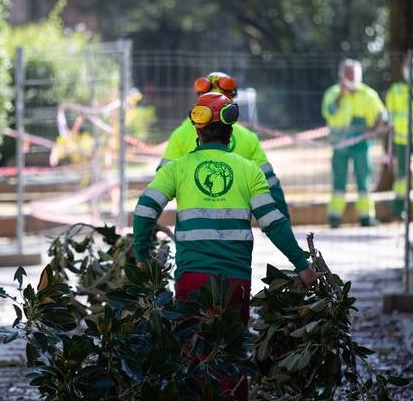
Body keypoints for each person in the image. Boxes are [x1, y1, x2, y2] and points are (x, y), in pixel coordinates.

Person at [134, 91, 317, 330]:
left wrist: (142, 259)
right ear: (231, 131)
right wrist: (302, 266)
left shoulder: (176, 170)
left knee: (194, 353)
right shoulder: (250, 171)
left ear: (197, 130)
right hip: (235, 280)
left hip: (192, 277)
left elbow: (144, 211)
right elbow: (274, 223)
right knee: (231, 350)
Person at [158, 71, 290, 219]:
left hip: (191, 234)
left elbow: (160, 184)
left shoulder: (180, 135)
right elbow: (271, 185)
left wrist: (149, 227)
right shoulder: (248, 138)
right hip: (236, 235)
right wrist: (284, 224)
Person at [321, 59, 387, 228]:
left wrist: (373, 129)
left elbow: (382, 115)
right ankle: (334, 217)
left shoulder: (368, 94)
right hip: (339, 145)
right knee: (339, 182)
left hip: (361, 145)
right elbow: (328, 112)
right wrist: (341, 96)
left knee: (363, 180)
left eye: (353, 74)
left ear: (360, 76)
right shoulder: (333, 93)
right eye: (347, 74)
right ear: (341, 75)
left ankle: (366, 217)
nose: (350, 77)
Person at [385, 55, 413, 218]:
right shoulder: (395, 90)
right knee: (401, 175)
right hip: (401, 140)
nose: (411, 70)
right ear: (402, 70)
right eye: (408, 66)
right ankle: (398, 209)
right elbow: (389, 117)